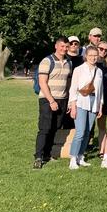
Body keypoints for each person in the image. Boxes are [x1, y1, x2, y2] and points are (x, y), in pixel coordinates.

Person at [33, 37, 74, 169]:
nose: (64, 49)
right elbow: (42, 82)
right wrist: (51, 100)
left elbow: (68, 83)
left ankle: (47, 154)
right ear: (56, 46)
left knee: (55, 128)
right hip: (47, 99)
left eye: (66, 47)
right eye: (61, 46)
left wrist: (68, 100)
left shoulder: (69, 62)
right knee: (45, 128)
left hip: (62, 99)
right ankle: (38, 157)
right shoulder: (47, 61)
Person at [67, 46, 104, 170]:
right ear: (86, 56)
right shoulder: (79, 70)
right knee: (80, 132)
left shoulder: (99, 71)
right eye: (91, 55)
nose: (93, 57)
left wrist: (100, 105)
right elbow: (73, 88)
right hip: (80, 103)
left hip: (94, 104)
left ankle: (80, 156)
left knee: (87, 132)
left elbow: (101, 90)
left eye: (95, 55)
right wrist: (73, 105)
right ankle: (73, 158)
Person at [94, 40, 107, 157]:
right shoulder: (89, 62)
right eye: (101, 49)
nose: (103, 52)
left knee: (101, 125)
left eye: (106, 50)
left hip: (104, 97)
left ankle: (102, 150)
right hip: (89, 97)